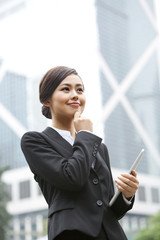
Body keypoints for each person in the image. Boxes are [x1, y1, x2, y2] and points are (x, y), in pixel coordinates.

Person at [21, 66, 139, 240]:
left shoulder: (99, 148)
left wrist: (127, 195)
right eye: (66, 89)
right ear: (47, 100)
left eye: (80, 89)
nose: (75, 94)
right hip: (71, 233)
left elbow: (107, 208)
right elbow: (72, 178)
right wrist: (85, 135)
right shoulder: (35, 141)